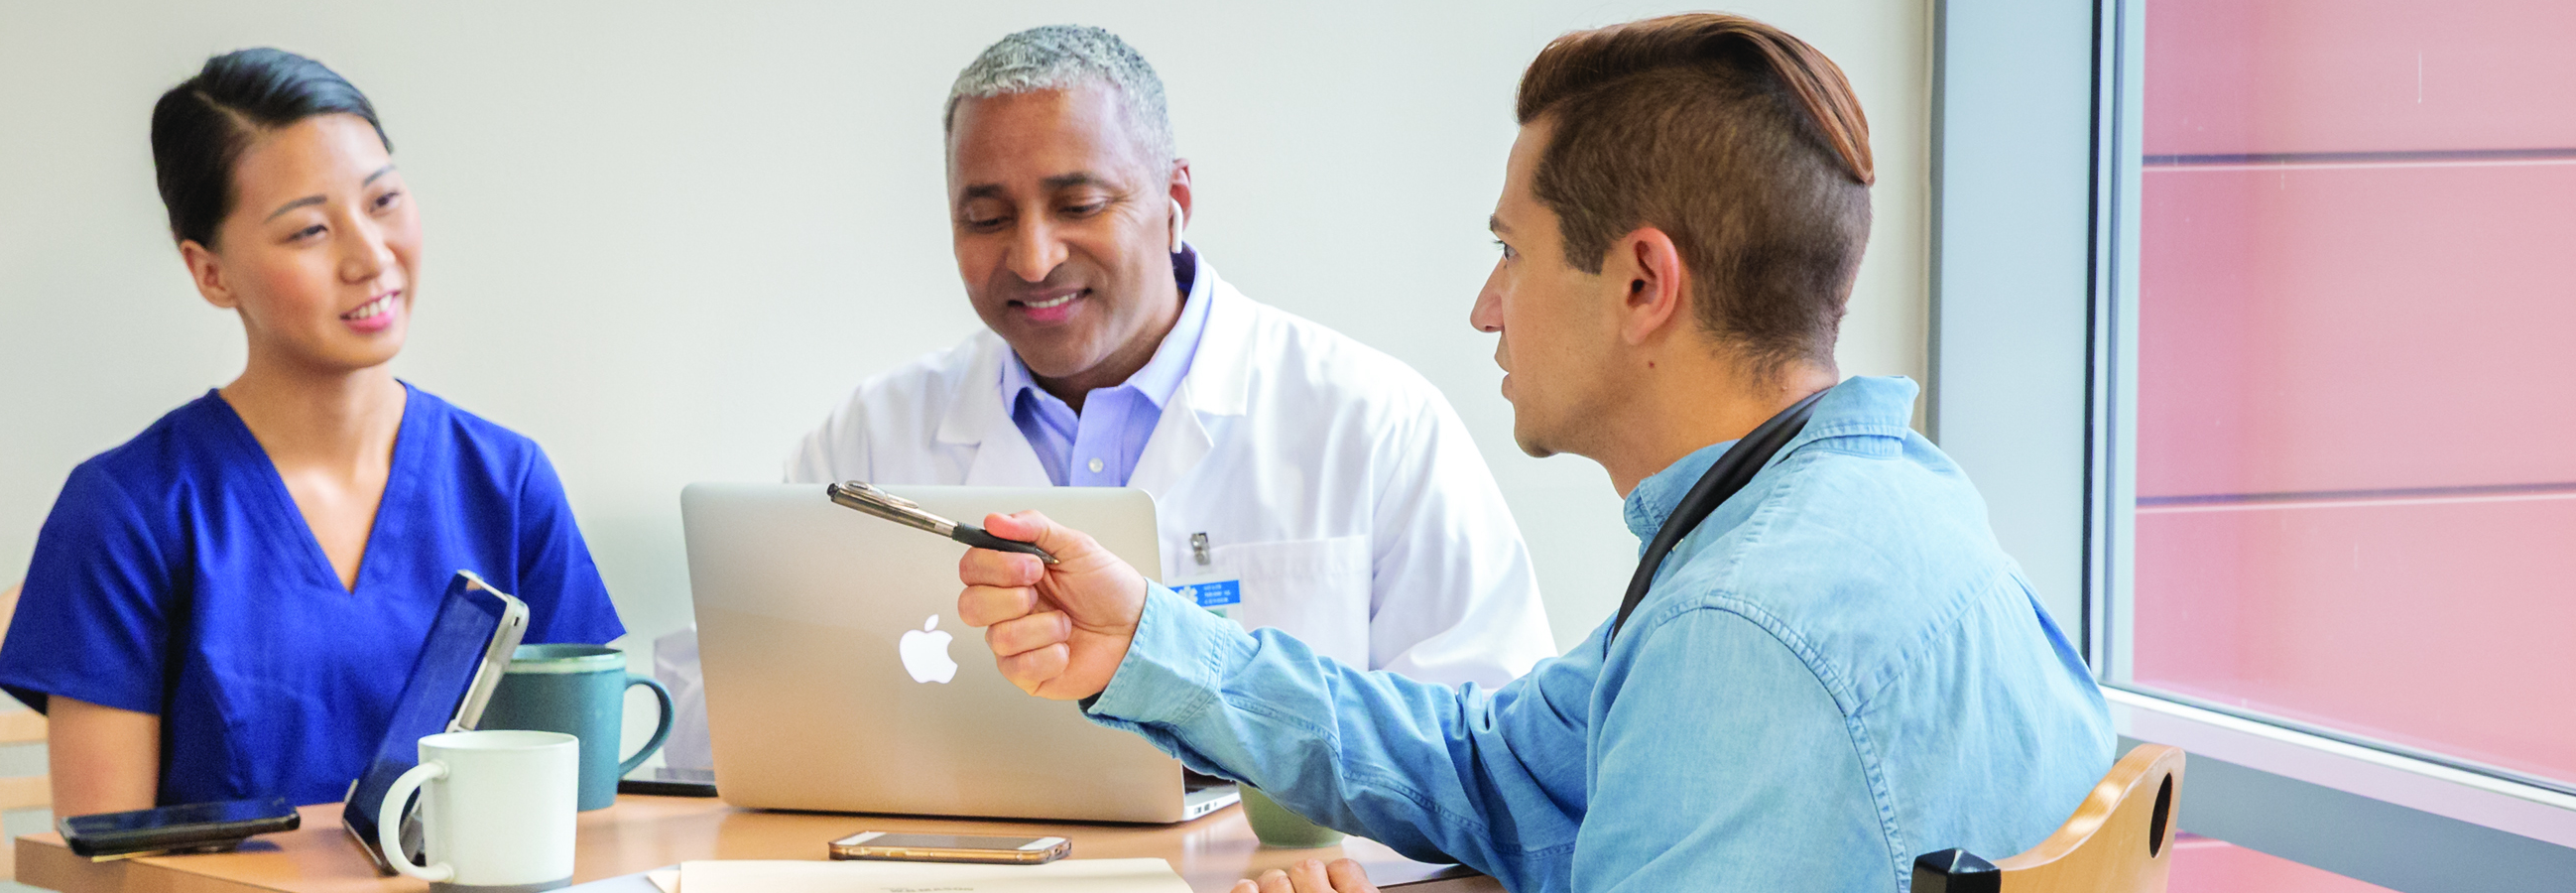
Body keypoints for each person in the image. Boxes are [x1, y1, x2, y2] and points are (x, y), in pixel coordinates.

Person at [950, 15, 2114, 893]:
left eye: (1512, 250)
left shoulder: (1747, 633)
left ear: (1643, 285)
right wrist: (1145, 644)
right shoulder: (1866, 506)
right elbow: (1489, 766)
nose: (1485, 307)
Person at [789, 25, 1549, 685]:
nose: (1031, 257)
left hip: (1270, 859)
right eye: (986, 218)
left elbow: (1485, 736)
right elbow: (728, 713)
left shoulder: (1374, 421)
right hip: (948, 856)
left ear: (1175, 204)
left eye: (1079, 206)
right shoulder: (864, 440)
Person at [0, 49, 624, 817]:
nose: (370, 256)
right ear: (210, 273)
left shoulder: (507, 481)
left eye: (384, 200)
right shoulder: (127, 510)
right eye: (310, 231)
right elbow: (106, 866)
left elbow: (589, 815)